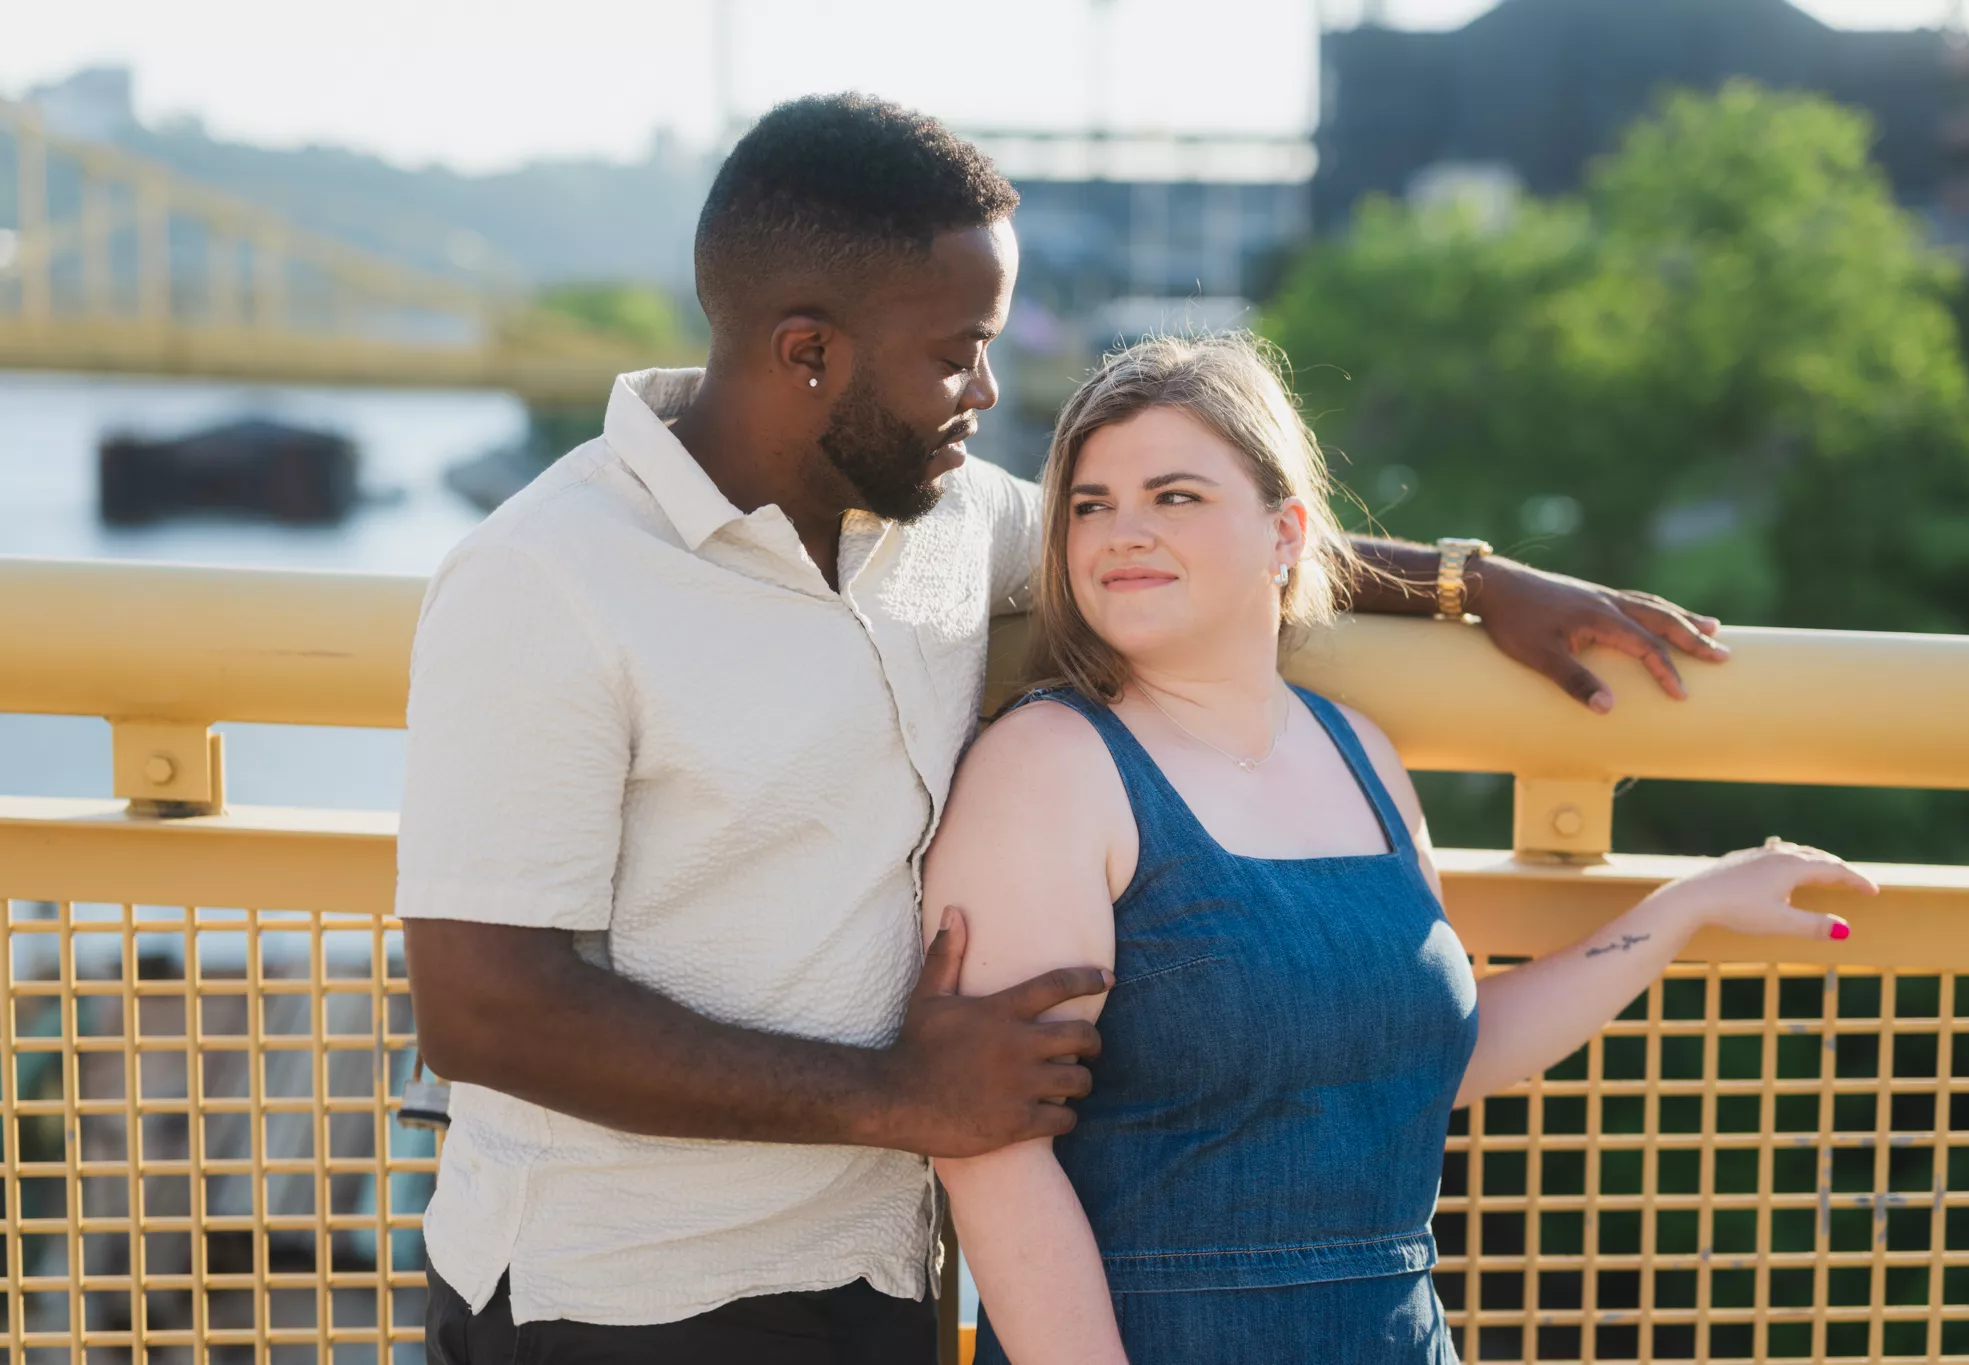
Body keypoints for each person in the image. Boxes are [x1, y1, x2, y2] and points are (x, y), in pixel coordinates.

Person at [397, 95, 1733, 1364]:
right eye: (954, 350)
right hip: (620, 1297)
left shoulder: (946, 519)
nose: (986, 388)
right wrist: (902, 1098)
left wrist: (1474, 584)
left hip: (873, 1265)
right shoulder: (546, 578)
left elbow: (1194, 541)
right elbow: (486, 1009)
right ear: (808, 350)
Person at [924, 334, 1879, 1365]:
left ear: (1284, 532)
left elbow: (1440, 1059)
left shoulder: (1357, 752)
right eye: (1088, 504)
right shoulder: (1049, 765)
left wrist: (1683, 906)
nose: (1123, 533)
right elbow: (991, 1151)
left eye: (1176, 498)